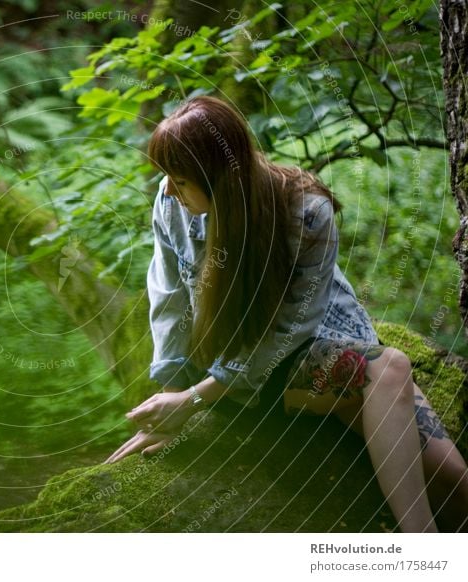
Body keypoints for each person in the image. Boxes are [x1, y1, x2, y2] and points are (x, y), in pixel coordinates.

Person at [105, 96, 468, 533]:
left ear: (218, 179)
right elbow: (168, 300)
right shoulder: (170, 204)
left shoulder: (307, 213)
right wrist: (173, 400)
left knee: (455, 482)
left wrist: (194, 398)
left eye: (180, 180)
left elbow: (292, 329)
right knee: (390, 367)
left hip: (306, 346)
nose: (169, 189)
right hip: (249, 375)